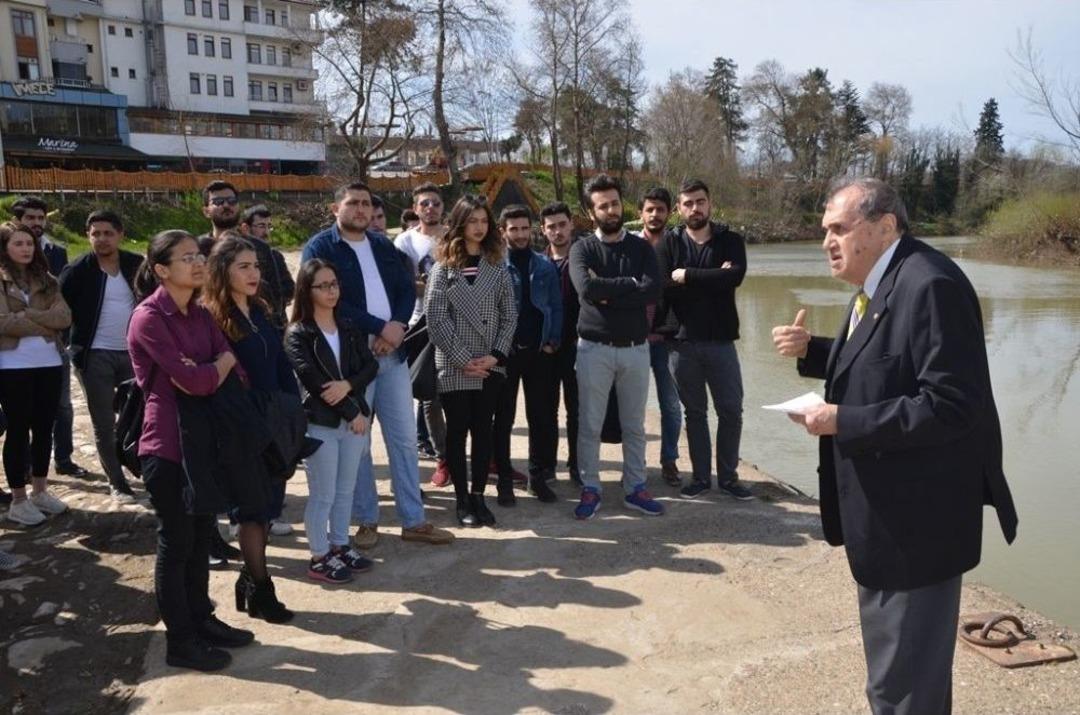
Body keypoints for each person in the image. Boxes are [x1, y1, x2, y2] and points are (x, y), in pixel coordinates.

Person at [770, 178, 1018, 715]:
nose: (826, 241)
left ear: (884, 227)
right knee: (897, 684)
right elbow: (886, 361)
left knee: (904, 693)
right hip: (886, 525)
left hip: (916, 532)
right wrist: (815, 351)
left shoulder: (930, 285)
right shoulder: (885, 282)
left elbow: (951, 405)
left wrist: (844, 420)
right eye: (824, 231)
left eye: (839, 228)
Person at [127, 230, 256, 672]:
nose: (199, 263)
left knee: (201, 541)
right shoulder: (149, 318)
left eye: (199, 255)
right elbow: (197, 381)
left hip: (204, 442)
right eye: (186, 258)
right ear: (162, 270)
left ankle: (202, 620)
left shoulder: (201, 313)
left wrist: (209, 367)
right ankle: (180, 641)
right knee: (176, 543)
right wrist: (212, 367)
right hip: (167, 447)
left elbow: (227, 365)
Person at [302, 182, 454, 546]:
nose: (360, 210)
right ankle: (367, 520)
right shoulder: (321, 247)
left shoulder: (383, 244)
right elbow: (327, 299)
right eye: (352, 203)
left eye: (366, 204)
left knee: (402, 439)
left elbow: (406, 289)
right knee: (360, 441)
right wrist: (378, 328)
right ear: (335, 207)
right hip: (352, 359)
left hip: (394, 354)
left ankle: (413, 520)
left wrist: (398, 327)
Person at [202, 235, 303, 609]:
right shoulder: (212, 317)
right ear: (221, 271)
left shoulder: (259, 310)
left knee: (268, 508)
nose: (253, 273)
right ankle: (262, 590)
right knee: (252, 512)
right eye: (243, 266)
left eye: (256, 266)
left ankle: (248, 581)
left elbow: (279, 363)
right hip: (241, 429)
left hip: (275, 424)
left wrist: (293, 410)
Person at [568, 174, 664, 520]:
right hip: (593, 349)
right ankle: (590, 488)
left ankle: (635, 488)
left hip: (636, 349)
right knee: (590, 424)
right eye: (602, 205)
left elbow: (653, 290)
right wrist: (629, 285)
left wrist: (609, 290)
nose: (611, 210)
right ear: (591, 211)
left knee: (634, 425)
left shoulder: (641, 248)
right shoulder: (582, 248)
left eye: (614, 202)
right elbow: (586, 291)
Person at [654, 180, 753, 501]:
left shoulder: (730, 240)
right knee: (694, 414)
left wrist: (688, 275)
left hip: (721, 340)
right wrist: (713, 277)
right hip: (681, 344)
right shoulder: (669, 243)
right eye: (688, 203)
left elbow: (734, 276)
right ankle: (699, 478)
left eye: (700, 201)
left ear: (710, 204)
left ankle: (728, 478)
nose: (695, 208)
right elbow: (661, 286)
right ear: (679, 209)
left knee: (731, 410)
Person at [424, 195, 517, 527]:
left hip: (490, 363)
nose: (479, 227)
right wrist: (464, 359)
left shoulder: (498, 266)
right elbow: (436, 318)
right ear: (460, 223)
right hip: (453, 364)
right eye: (472, 220)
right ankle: (461, 499)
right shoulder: (442, 268)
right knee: (457, 432)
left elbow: (509, 316)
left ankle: (479, 496)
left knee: (484, 431)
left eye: (484, 221)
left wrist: (495, 356)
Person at [285, 259, 378, 582]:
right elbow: (314, 381)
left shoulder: (349, 326)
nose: (331, 291)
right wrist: (353, 413)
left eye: (334, 284)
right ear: (306, 290)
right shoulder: (299, 333)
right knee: (323, 494)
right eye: (322, 285)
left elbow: (370, 367)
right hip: (322, 423)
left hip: (354, 423)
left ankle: (340, 545)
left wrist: (350, 388)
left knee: (345, 490)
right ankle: (319, 555)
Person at [58, 210, 142, 503]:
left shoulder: (136, 265)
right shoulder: (77, 270)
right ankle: (117, 482)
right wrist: (70, 347)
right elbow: (59, 310)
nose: (102, 239)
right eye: (96, 234)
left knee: (141, 416)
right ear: (87, 236)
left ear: (120, 234)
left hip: (134, 354)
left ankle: (143, 467)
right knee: (103, 423)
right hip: (95, 356)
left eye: (108, 233)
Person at [0, 221, 72, 526]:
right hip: (12, 365)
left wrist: (27, 314)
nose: (26, 249)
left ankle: (41, 489)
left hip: (48, 362)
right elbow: (3, 323)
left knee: (44, 427)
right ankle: (18, 498)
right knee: (18, 429)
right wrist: (45, 324)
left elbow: (65, 317)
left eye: (29, 243)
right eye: (18, 244)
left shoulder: (47, 279)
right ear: (5, 248)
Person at [491, 205, 561, 506]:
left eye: (524, 228)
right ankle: (504, 481)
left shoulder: (544, 265)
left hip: (538, 352)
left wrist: (552, 341)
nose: (520, 234)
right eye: (513, 229)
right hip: (505, 354)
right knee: (503, 419)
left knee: (540, 417)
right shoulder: (493, 265)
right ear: (503, 230)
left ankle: (537, 477)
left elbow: (556, 306)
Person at [11, 196, 85, 478]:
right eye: (30, 218)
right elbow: (9, 316)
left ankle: (63, 459)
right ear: (18, 221)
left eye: (41, 218)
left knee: (62, 408)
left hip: (54, 345)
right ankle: (25, 466)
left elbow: (61, 308)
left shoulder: (56, 252)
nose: (37, 224)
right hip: (15, 352)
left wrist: (34, 318)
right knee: (21, 415)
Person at [394, 183, 451, 488]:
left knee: (463, 394)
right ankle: (443, 458)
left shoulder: (453, 237)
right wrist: (430, 287)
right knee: (429, 397)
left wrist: (428, 285)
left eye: (436, 203)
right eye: (425, 203)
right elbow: (403, 285)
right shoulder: (404, 241)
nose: (431, 208)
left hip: (457, 324)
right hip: (418, 325)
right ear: (415, 208)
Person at [636, 188, 682, 487]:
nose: (655, 215)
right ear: (641, 212)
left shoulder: (677, 245)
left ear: (669, 213)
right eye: (650, 209)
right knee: (634, 405)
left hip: (668, 338)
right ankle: (636, 461)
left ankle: (669, 459)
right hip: (635, 338)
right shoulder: (630, 246)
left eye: (660, 210)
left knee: (670, 404)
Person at [541, 202, 581, 485]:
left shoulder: (584, 258)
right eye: (551, 226)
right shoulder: (538, 263)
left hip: (579, 344)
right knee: (546, 409)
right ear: (543, 230)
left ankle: (577, 464)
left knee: (577, 408)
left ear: (571, 225)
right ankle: (547, 464)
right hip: (546, 347)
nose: (557, 231)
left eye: (562, 225)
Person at [238, 204, 296, 331]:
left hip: (277, 322)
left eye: (269, 226)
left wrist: (278, 299)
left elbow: (289, 288)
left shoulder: (275, 256)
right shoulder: (236, 259)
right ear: (245, 228)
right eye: (261, 226)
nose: (267, 232)